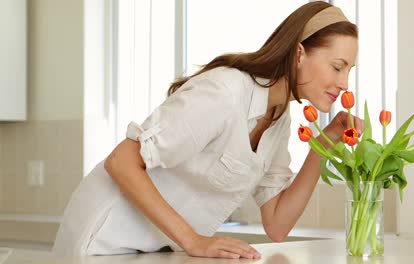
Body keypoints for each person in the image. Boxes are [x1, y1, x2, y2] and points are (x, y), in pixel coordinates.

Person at [52, 1, 363, 259]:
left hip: (150, 250)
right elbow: (121, 161)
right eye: (338, 66)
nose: (344, 83)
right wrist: (193, 240)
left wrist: (322, 145)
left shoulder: (278, 119)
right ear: (299, 53)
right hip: (101, 242)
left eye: (349, 70)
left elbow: (277, 225)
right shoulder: (225, 93)